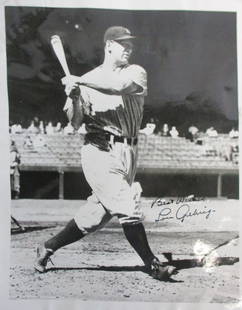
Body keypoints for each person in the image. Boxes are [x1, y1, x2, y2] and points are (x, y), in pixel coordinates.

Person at [34, 26, 177, 280]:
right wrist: (76, 97)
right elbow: (76, 122)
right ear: (109, 45)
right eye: (124, 44)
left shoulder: (135, 72)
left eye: (131, 45)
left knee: (95, 216)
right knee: (127, 206)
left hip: (129, 151)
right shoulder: (87, 80)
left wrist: (80, 81)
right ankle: (153, 265)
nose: (129, 49)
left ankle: (48, 247)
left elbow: (118, 86)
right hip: (99, 151)